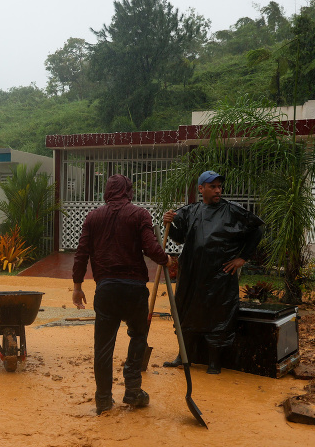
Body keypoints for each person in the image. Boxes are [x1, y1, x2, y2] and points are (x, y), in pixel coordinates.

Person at [71, 175, 174, 415]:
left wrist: (77, 287)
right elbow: (151, 248)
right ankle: (133, 390)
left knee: (103, 347)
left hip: (106, 290)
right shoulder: (139, 214)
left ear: (107, 192)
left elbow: (81, 253)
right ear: (128, 191)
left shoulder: (93, 217)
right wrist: (166, 259)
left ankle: (104, 399)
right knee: (138, 335)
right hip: (134, 289)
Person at [162, 170, 263, 374]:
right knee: (185, 312)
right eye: (213, 187)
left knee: (218, 316)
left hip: (219, 275)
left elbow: (257, 229)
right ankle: (183, 355)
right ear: (201, 189)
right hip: (191, 274)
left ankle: (214, 361)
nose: (218, 190)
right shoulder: (189, 212)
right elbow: (179, 237)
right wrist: (168, 223)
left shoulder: (232, 211)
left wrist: (243, 257)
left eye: (219, 186)